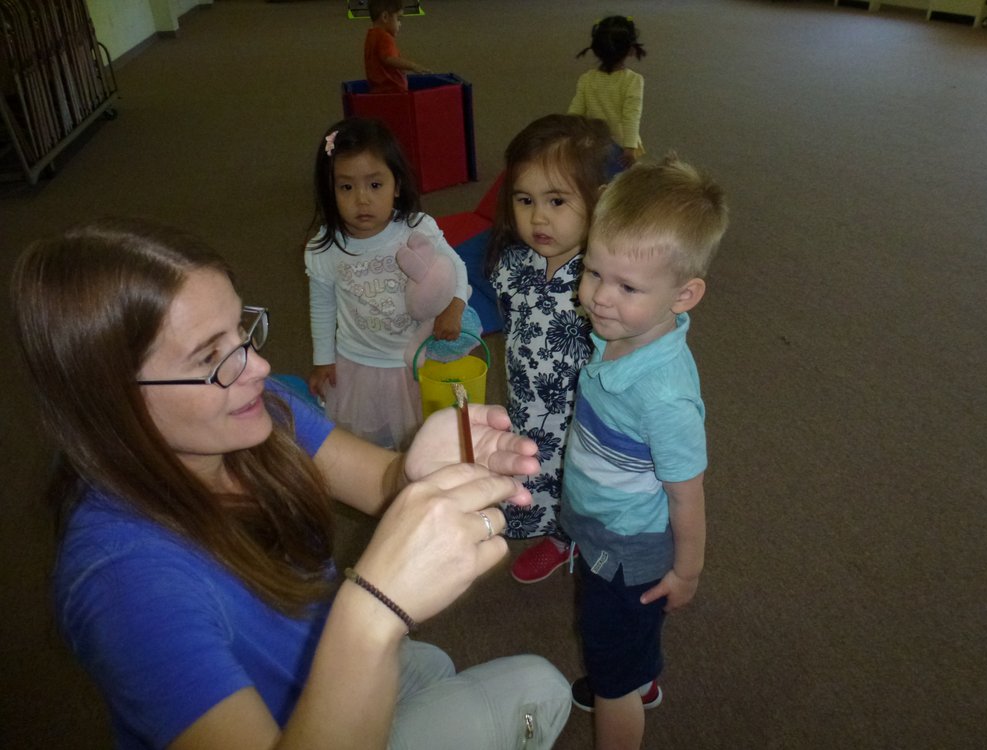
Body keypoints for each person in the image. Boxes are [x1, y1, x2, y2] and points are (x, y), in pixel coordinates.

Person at [11, 217, 572, 750]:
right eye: (212, 356)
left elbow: (378, 479)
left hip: (319, 663)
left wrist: (411, 468)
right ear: (115, 401)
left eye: (241, 329)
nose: (256, 366)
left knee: (435, 670)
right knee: (538, 687)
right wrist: (376, 611)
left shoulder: (254, 411)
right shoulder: (120, 583)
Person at [560, 156, 729, 749]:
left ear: (685, 295)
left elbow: (687, 493)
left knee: (612, 679)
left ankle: (626, 688)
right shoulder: (621, 332)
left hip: (631, 552)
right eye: (593, 272)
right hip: (603, 520)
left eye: (628, 287)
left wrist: (687, 570)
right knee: (623, 639)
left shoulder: (666, 399)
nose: (600, 298)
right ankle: (638, 670)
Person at [483, 114, 614, 584]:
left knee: (582, 483)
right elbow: (496, 313)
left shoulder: (603, 277)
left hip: (584, 416)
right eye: (525, 200)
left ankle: (573, 538)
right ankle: (558, 535)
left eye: (557, 200)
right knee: (535, 473)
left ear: (597, 200)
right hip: (527, 402)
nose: (539, 217)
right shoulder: (514, 261)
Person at [305, 117, 467, 449]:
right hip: (358, 364)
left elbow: (456, 267)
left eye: (375, 185)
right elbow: (322, 306)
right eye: (346, 187)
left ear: (397, 185)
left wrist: (454, 306)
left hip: (414, 358)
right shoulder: (325, 246)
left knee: (422, 440)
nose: (361, 199)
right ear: (329, 189)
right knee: (370, 445)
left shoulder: (415, 228)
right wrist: (323, 360)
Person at [568, 15, 647, 170]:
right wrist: (629, 147)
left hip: (593, 143)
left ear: (596, 50)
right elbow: (631, 116)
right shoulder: (633, 80)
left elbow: (575, 112)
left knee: (596, 177)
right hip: (620, 146)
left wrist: (570, 139)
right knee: (619, 183)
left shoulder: (587, 78)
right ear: (631, 50)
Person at [364, 0, 430, 94]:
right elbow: (389, 58)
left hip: (378, 89)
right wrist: (413, 66)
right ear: (385, 17)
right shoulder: (384, 37)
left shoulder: (371, 35)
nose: (400, 24)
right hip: (393, 90)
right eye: (398, 19)